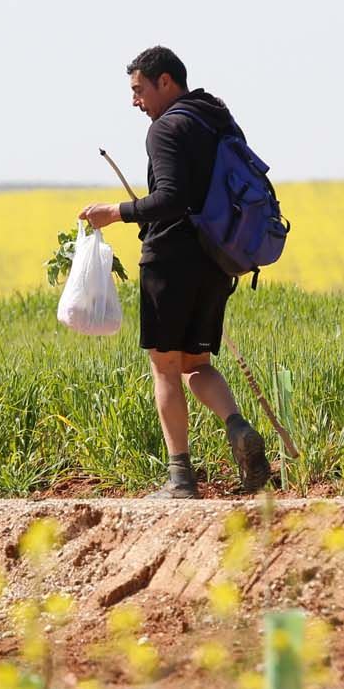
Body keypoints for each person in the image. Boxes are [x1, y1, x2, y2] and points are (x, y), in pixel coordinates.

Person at [79, 45, 272, 499]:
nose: (135, 101)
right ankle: (239, 428)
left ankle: (180, 479)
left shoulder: (166, 128)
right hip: (217, 260)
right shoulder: (217, 118)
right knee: (197, 363)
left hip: (170, 261)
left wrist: (118, 211)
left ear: (166, 81)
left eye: (139, 89)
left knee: (165, 368)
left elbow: (171, 198)